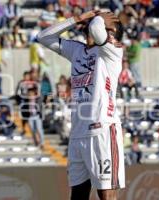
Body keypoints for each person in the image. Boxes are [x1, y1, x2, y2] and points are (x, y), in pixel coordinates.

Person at [37, 11, 125, 200]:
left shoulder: (112, 51)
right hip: (77, 133)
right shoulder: (77, 50)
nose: (98, 28)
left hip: (102, 131)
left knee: (106, 195)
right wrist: (76, 19)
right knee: (77, 195)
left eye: (107, 27)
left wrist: (97, 18)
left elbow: (95, 27)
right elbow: (43, 37)